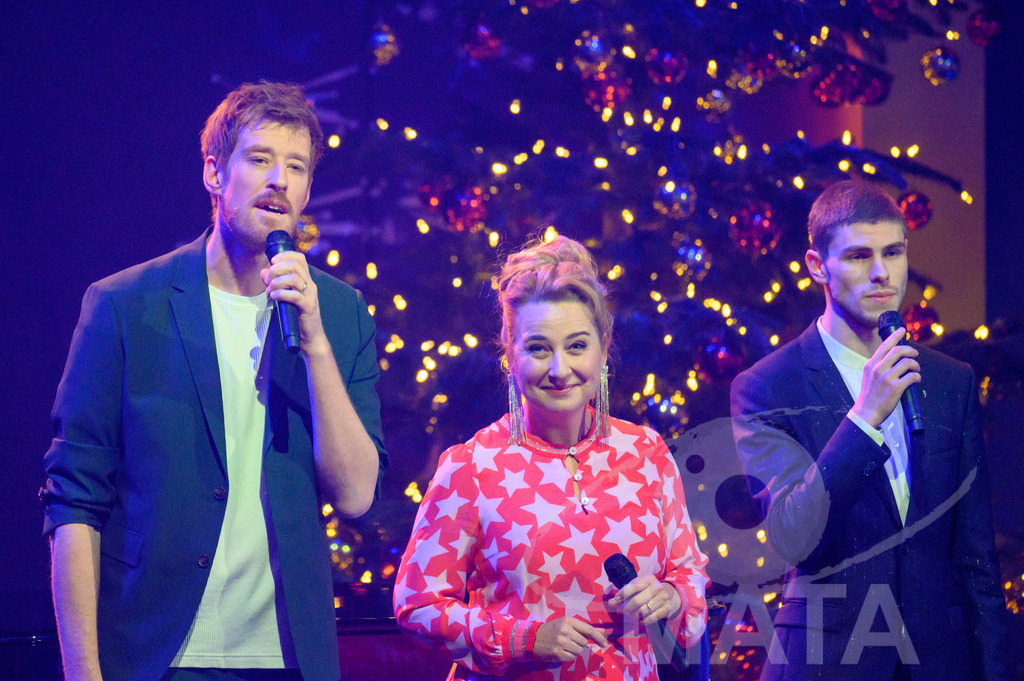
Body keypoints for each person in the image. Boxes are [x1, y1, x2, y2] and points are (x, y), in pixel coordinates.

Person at [41, 81, 387, 681]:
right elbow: (74, 500)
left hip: (287, 659)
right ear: (214, 174)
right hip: (158, 655)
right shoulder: (124, 305)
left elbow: (356, 494)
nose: (279, 179)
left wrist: (316, 344)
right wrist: (83, 673)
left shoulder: (338, 313)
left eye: (296, 167)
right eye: (259, 159)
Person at [393, 235, 708, 680]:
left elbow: (690, 578)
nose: (559, 370)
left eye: (577, 346)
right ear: (510, 355)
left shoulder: (646, 453)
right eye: (539, 348)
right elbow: (416, 603)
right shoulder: (472, 466)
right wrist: (520, 638)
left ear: (603, 350)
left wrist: (671, 598)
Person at [730, 180, 1008, 680]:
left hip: (938, 661)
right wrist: (864, 418)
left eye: (894, 252)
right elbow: (793, 538)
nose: (882, 273)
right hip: (830, 662)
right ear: (818, 265)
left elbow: (976, 561)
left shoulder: (950, 381)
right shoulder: (768, 387)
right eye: (859, 255)